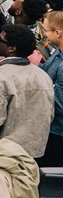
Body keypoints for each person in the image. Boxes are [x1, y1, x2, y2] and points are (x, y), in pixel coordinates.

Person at [0, 23, 54, 158]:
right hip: (35, 153)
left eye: (0, 40)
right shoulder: (43, 76)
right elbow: (49, 114)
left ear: (11, 48)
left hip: (4, 155)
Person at [42, 10, 63, 165]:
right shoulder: (57, 52)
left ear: (57, 33)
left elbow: (60, 104)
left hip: (58, 132)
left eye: (46, 30)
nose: (44, 34)